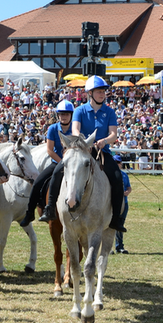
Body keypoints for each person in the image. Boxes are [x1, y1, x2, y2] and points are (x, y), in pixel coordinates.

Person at [38, 75, 126, 233]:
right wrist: (86, 143)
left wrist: (104, 141)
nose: (102, 94)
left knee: (117, 179)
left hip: (102, 152)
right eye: (99, 91)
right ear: (89, 93)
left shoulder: (110, 112)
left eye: (104, 91)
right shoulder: (79, 111)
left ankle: (115, 219)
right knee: (58, 172)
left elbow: (114, 134)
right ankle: (50, 208)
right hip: (81, 151)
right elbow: (75, 131)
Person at [19, 99, 74, 227]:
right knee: (38, 182)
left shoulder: (76, 128)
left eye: (66, 114)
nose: (63, 116)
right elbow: (50, 150)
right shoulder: (53, 128)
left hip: (74, 163)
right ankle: (33, 212)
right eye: (61, 114)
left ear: (71, 115)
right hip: (58, 162)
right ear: (57, 115)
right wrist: (63, 163)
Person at [114, 155, 131, 253]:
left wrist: (127, 192)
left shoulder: (125, 175)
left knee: (120, 224)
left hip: (124, 203)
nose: (117, 165)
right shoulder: (110, 175)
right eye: (115, 163)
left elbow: (129, 187)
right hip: (114, 202)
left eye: (118, 163)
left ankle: (119, 246)